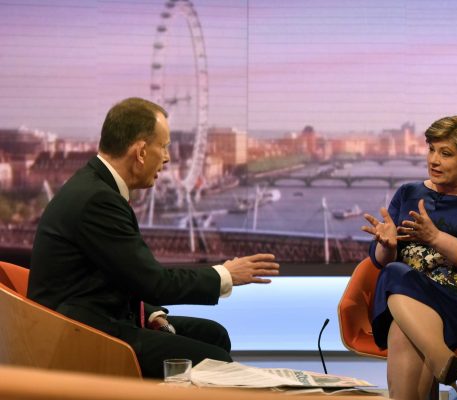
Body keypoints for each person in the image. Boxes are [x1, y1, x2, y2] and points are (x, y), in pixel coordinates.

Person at [28, 97, 280, 378]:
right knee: (216, 360)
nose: (168, 157)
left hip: (92, 316)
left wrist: (150, 313)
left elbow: (117, 272)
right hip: (80, 334)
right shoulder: (98, 200)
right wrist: (225, 274)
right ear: (140, 152)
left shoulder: (95, 186)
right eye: (164, 146)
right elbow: (152, 282)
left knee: (214, 334)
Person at [361, 114, 457, 400]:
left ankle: (416, 396)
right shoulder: (408, 193)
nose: (434, 160)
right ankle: (441, 360)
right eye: (431, 149)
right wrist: (386, 244)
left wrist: (435, 238)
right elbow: (381, 260)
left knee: (400, 316)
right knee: (394, 273)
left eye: (445, 154)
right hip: (408, 296)